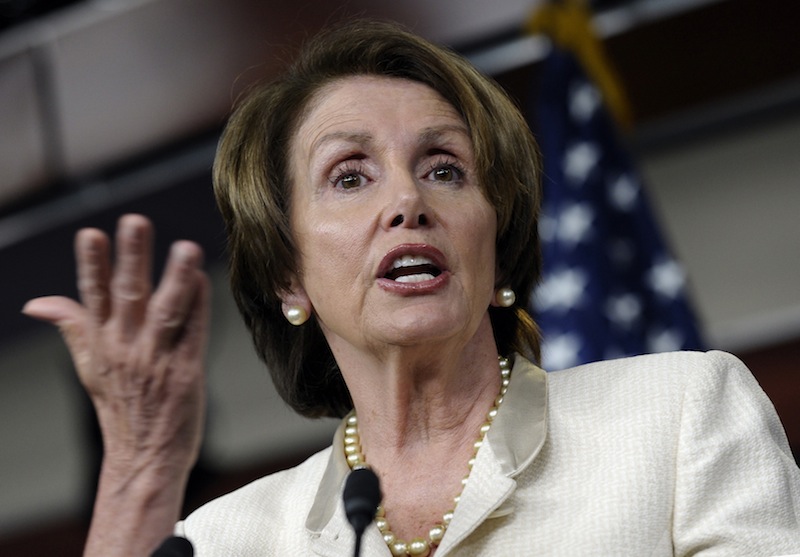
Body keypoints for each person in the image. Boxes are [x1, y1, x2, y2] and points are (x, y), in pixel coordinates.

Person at [22, 20, 800, 557]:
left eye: (444, 169)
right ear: (289, 273)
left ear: (494, 248)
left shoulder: (679, 416)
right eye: (350, 176)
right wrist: (142, 471)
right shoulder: (230, 539)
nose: (408, 201)